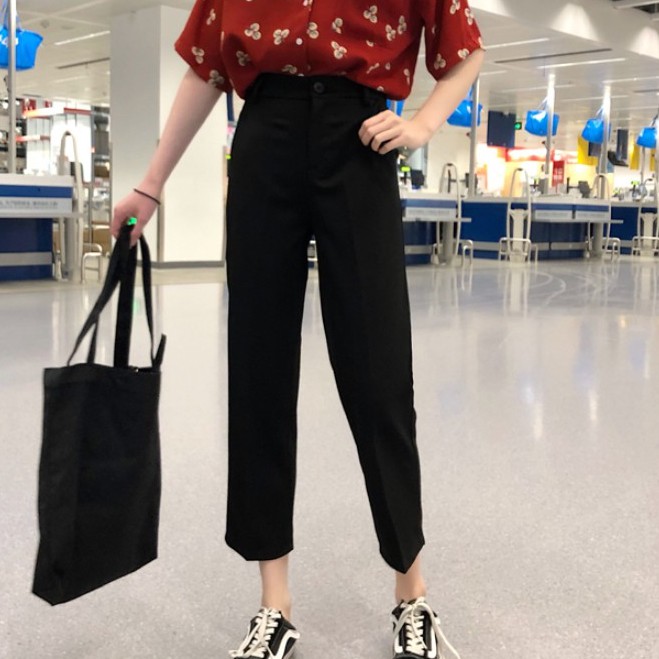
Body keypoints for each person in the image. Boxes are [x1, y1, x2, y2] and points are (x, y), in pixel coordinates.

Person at [112, 1, 484, 657]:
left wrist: (424, 123)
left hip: (361, 141)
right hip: (265, 139)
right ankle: (274, 604)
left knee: (379, 378)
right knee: (259, 372)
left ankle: (411, 591)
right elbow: (206, 69)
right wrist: (151, 184)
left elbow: (464, 48)